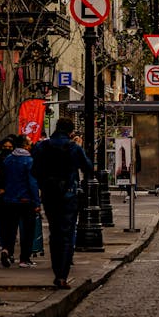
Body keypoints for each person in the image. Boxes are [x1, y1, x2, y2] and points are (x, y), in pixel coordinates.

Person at [32, 117, 92, 289]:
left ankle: (57, 269)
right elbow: (88, 167)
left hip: (49, 195)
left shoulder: (42, 146)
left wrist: (45, 182)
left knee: (54, 231)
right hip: (68, 194)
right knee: (66, 233)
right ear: (71, 131)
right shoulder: (73, 148)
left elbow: (34, 170)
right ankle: (62, 275)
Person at [0, 135, 40, 268]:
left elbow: (2, 177)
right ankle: (24, 258)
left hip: (9, 199)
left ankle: (7, 250)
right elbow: (32, 183)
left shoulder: (8, 159)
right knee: (27, 230)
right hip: (25, 199)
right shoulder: (29, 161)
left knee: (10, 228)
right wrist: (36, 202)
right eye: (29, 143)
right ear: (25, 146)